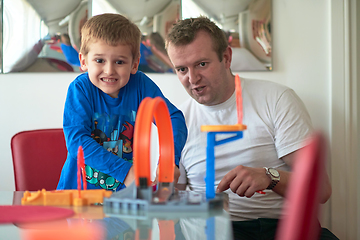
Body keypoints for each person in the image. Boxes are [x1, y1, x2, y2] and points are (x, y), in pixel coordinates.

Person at [165, 17, 338, 239]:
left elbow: (321, 190)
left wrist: (270, 177)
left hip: (280, 228)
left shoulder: (276, 99)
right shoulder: (177, 122)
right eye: (181, 69)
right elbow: (171, 200)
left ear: (226, 57)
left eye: (201, 64)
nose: (192, 78)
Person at [57, 13, 187, 192]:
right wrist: (125, 172)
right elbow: (77, 141)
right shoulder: (80, 89)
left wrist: (169, 160)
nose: (109, 70)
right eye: (99, 60)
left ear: (134, 64)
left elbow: (173, 118)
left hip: (123, 202)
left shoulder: (140, 85)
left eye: (119, 62)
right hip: (77, 199)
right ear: (83, 61)